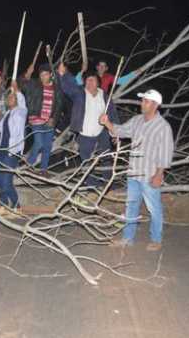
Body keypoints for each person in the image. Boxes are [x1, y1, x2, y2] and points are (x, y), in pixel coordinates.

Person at [100, 89, 174, 251]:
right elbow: (120, 131)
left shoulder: (163, 127)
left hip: (149, 174)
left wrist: (159, 174)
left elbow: (166, 152)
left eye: (146, 101)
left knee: (154, 208)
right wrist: (107, 123)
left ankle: (156, 239)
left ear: (154, 104)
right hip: (134, 172)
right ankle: (128, 238)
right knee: (131, 207)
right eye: (142, 100)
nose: (142, 103)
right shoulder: (137, 120)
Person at [58, 64, 119, 186]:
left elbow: (113, 116)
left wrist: (116, 133)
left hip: (102, 132)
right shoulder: (80, 94)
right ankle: (92, 185)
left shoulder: (105, 97)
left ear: (98, 83)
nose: (89, 82)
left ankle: (108, 183)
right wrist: (64, 74)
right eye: (87, 80)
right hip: (84, 133)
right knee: (86, 161)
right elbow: (68, 87)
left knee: (106, 158)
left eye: (93, 80)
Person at [19, 63, 64, 175]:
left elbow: (59, 106)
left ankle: (44, 170)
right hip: (36, 119)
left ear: (50, 75)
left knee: (48, 145)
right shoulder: (34, 85)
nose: (43, 77)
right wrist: (27, 74)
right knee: (39, 143)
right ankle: (29, 165)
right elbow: (20, 84)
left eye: (46, 74)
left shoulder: (56, 89)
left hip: (49, 121)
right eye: (41, 75)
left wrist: (54, 118)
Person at [0, 81, 28, 208]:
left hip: (12, 152)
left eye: (13, 97)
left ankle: (16, 204)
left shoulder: (20, 112)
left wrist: (16, 89)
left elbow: (23, 104)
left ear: (17, 100)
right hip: (1, 150)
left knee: (6, 182)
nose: (10, 99)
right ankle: (4, 203)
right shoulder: (7, 114)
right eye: (9, 97)